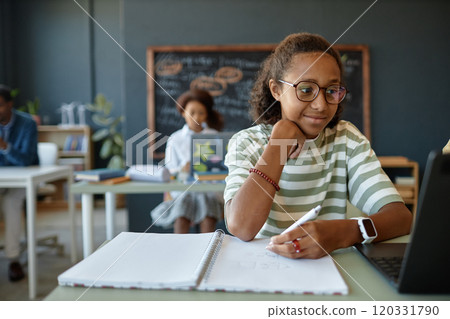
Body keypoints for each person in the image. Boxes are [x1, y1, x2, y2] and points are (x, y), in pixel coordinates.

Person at [224, 33, 412, 259]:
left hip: (330, 268)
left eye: (332, 90)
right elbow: (241, 227)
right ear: (276, 90)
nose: (321, 105)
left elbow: (400, 217)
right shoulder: (246, 142)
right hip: (263, 266)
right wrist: (279, 143)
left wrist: (346, 232)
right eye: (305, 90)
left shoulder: (345, 139)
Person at [150, 89, 224, 233]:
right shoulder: (175, 138)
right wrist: (182, 169)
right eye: (192, 112)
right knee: (181, 214)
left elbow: (222, 167)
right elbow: (170, 171)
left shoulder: (215, 136)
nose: (196, 117)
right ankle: (179, 251)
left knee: (208, 214)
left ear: (207, 114)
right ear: (183, 113)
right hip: (184, 191)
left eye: (201, 113)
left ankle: (207, 252)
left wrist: (210, 166)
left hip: (209, 191)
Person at [0, 84, 39, 281]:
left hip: (25, 181)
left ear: (9, 104)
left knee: (10, 203)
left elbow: (25, 160)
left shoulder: (27, 124)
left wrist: (4, 145)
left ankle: (13, 260)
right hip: (2, 181)